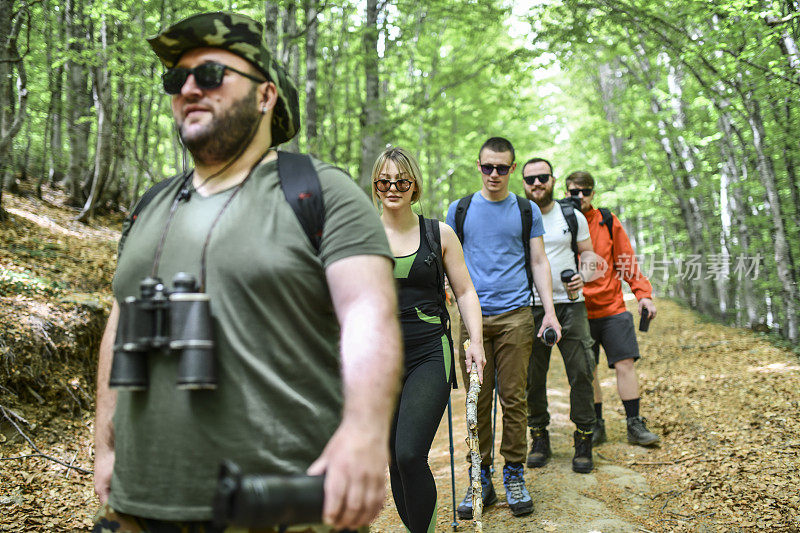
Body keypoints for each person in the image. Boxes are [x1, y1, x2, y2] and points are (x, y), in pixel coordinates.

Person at [92, 12, 402, 533]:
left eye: (210, 74)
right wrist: (103, 447)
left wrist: (366, 430)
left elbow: (369, 315)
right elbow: (120, 324)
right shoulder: (150, 208)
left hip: (278, 506)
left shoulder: (319, 193)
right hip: (138, 505)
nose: (189, 87)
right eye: (176, 79)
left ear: (265, 97)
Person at [371, 146, 486, 533]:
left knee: (409, 454)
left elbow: (466, 292)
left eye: (401, 181)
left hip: (428, 353)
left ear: (414, 186)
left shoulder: (439, 233)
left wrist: (477, 345)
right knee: (392, 457)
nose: (392, 188)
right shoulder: (360, 234)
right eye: (384, 181)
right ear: (375, 185)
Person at [446, 137, 561, 519]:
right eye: (487, 167)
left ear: (513, 169)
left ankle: (513, 473)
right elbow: (447, 262)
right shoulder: (459, 210)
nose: (494, 174)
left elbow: (540, 261)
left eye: (502, 168)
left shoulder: (527, 210)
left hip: (515, 317)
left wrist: (549, 313)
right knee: (477, 401)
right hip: (473, 320)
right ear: (478, 166)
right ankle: (481, 478)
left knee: (514, 400)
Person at [564, 171, 660, 447]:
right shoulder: (560, 222)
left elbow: (626, 260)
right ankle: (596, 425)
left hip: (613, 307)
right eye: (574, 191)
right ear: (566, 192)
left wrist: (643, 295)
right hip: (579, 309)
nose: (579, 196)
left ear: (593, 193)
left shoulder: (606, 220)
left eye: (585, 191)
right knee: (588, 370)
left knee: (625, 363)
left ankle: (634, 424)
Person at [521, 158, 597, 473]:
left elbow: (590, 255)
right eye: (531, 179)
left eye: (543, 177)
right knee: (531, 378)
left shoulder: (572, 214)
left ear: (552, 180)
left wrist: (584, 275)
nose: (537, 183)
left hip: (570, 304)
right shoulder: (517, 215)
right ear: (523, 183)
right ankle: (539, 438)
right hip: (528, 305)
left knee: (581, 370)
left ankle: (584, 439)